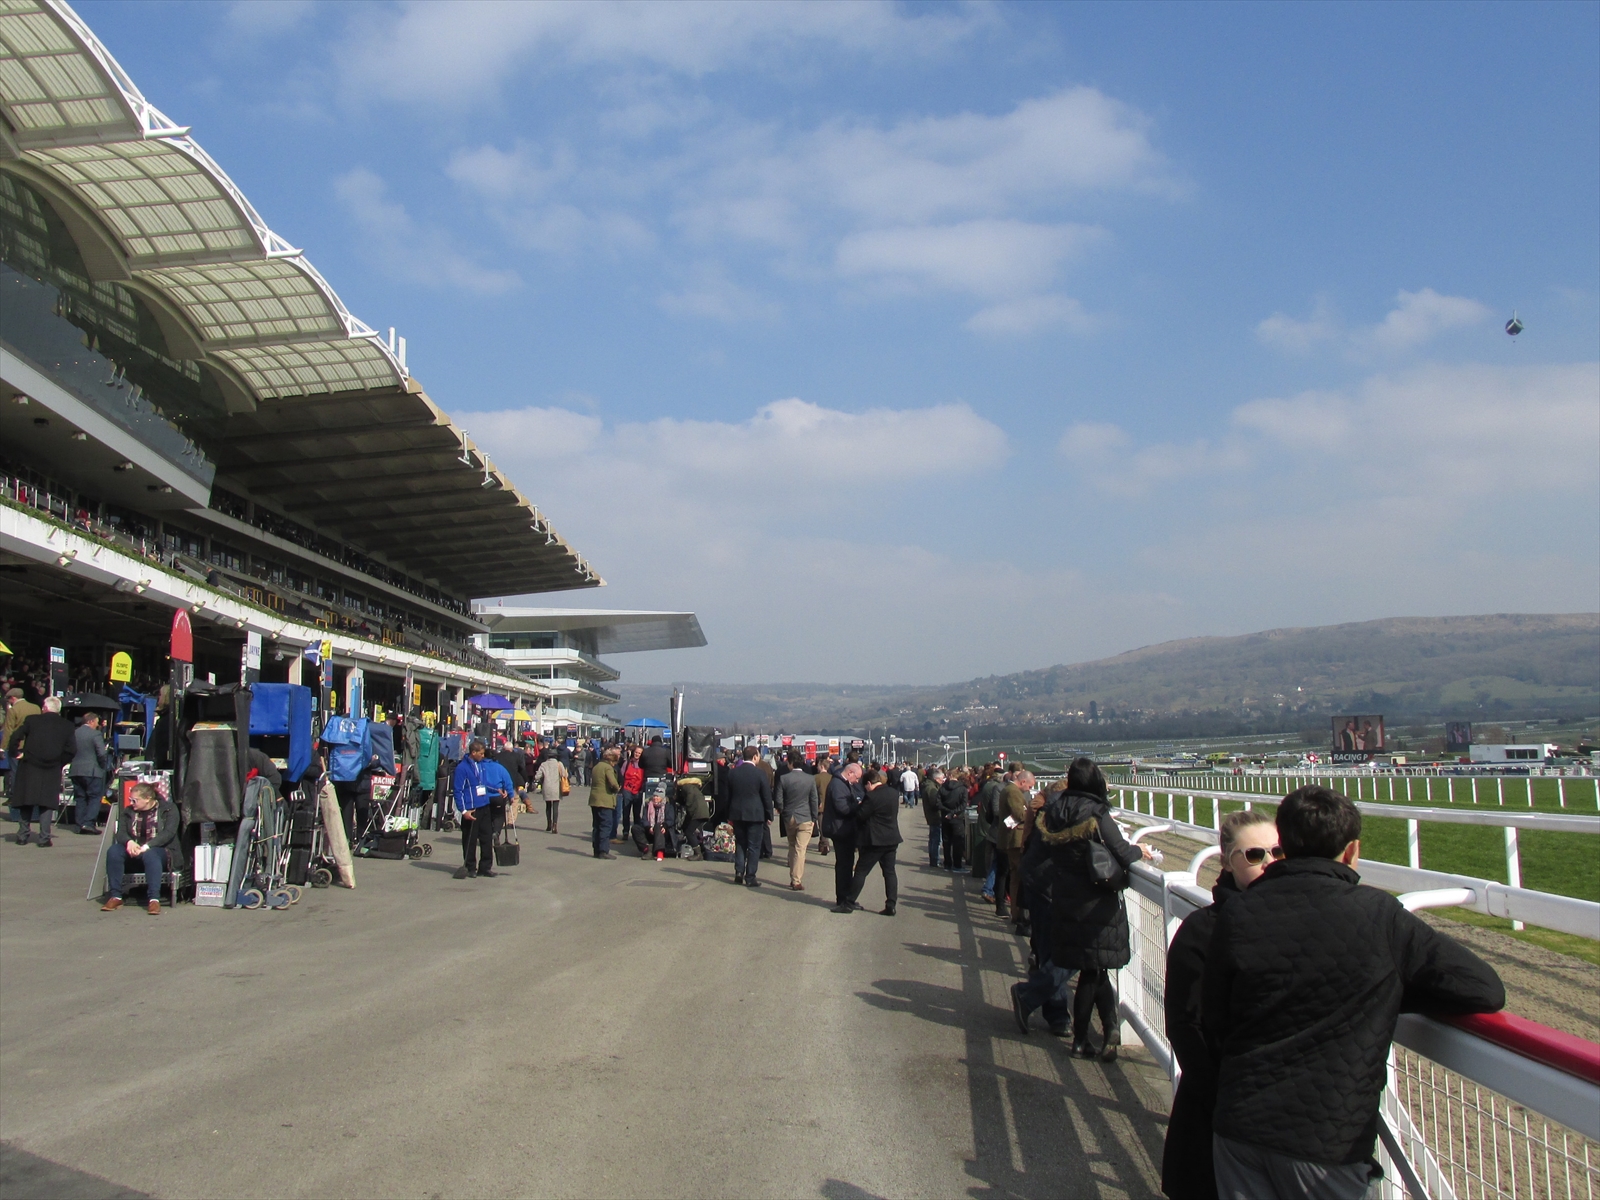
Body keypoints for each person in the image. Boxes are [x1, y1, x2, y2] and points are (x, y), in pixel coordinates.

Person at [1203, 786, 1504, 1200]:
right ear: (1351, 851)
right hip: (1327, 1140)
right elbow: (1485, 988)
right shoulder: (1379, 914)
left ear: (1284, 845)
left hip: (1241, 1127)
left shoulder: (1238, 911)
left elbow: (1213, 1018)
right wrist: (1387, 990)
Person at [1160, 809, 1280, 1200]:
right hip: (1217, 1108)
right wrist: (1226, 1099)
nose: (1269, 862)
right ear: (1227, 862)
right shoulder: (1202, 930)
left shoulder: (1300, 922)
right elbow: (1184, 1025)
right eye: (1255, 855)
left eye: (1278, 852)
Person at [1034, 758, 1150, 1060]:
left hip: (1064, 896)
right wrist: (1141, 850)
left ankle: (1109, 1030)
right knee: (1092, 970)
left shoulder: (1055, 810)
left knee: (1094, 968)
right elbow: (1122, 852)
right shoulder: (1094, 811)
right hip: (1095, 899)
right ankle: (1082, 1039)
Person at [7, 695, 77, 847]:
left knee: (26, 801)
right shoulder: (67, 725)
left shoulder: (32, 720)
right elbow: (72, 750)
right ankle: (44, 837)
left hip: (30, 765)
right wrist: (60, 762)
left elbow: (15, 736)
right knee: (47, 803)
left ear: (45, 708)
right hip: (52, 767)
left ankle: (22, 835)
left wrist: (15, 753)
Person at [100, 781, 178, 913]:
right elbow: (121, 833)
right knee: (114, 851)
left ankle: (154, 899)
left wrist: (147, 846)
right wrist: (129, 842)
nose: (131, 803)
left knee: (151, 854)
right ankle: (116, 896)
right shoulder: (128, 811)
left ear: (147, 799)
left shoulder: (168, 809)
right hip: (135, 849)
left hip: (160, 850)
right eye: (130, 799)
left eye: (134, 800)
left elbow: (168, 833)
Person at [836, 768, 902, 914]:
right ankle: (891, 905)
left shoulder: (871, 797)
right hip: (892, 838)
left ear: (869, 783)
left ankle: (848, 903)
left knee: (861, 871)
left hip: (875, 840)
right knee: (889, 872)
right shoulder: (893, 793)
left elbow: (861, 816)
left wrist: (860, 806)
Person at [450, 740, 507, 879]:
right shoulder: (462, 768)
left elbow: (483, 784)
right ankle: (470, 867)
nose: (483, 756)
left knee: (486, 837)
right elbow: (458, 791)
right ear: (473, 752)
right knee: (470, 839)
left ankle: (485, 867)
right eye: (480, 753)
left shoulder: (481, 765)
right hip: (472, 808)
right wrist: (463, 811)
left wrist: (497, 790)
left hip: (484, 805)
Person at [725, 744, 773, 887]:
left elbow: (728, 796)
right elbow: (766, 796)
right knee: (754, 846)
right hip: (755, 814)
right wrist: (769, 814)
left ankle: (739, 872)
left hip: (737, 813)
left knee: (740, 843)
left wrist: (728, 814)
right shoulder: (760, 774)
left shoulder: (733, 773)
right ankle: (750, 876)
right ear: (755, 757)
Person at [822, 761, 865, 908]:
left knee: (847, 864)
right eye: (857, 777)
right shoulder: (837, 785)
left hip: (844, 828)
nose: (857, 781)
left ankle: (846, 896)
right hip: (840, 829)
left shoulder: (843, 784)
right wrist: (857, 806)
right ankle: (843, 898)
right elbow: (842, 808)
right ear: (850, 773)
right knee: (843, 866)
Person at [996, 770, 1034, 928]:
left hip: (1011, 838)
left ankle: (1016, 912)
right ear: (1023, 782)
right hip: (1016, 839)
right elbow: (1020, 814)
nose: (1030, 790)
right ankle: (1018, 914)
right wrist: (1031, 813)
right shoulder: (1013, 792)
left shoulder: (1008, 790)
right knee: (1018, 876)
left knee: (1014, 876)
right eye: (1030, 786)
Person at [776, 749, 818, 890]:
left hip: (789, 816)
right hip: (805, 816)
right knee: (801, 849)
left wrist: (783, 810)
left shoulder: (784, 779)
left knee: (792, 845)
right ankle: (796, 880)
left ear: (790, 763)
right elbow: (814, 799)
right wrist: (814, 817)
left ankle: (793, 875)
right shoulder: (810, 779)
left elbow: (779, 799)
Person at [70, 711, 109, 833]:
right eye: (96, 723)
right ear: (91, 721)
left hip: (76, 770)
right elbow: (101, 753)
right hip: (92, 770)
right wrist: (103, 765)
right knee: (95, 797)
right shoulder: (95, 734)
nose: (97, 725)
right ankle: (88, 823)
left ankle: (79, 824)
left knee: (80, 798)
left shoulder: (74, 733)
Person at [589, 746, 621, 859]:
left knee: (596, 826)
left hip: (594, 799)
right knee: (605, 826)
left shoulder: (597, 766)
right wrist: (617, 788)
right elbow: (613, 782)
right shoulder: (607, 768)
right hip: (605, 800)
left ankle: (596, 850)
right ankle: (603, 850)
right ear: (611, 760)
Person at [937, 769, 969, 872]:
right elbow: (963, 804)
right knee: (958, 842)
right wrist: (953, 813)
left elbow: (938, 803)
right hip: (957, 817)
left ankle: (947, 864)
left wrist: (947, 812)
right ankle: (957, 865)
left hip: (945, 817)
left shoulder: (942, 788)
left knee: (946, 841)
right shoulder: (962, 788)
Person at [533, 749, 567, 833]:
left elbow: (537, 776)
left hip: (547, 787)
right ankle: (555, 825)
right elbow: (564, 775)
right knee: (555, 807)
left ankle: (549, 824)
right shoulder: (559, 764)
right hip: (556, 788)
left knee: (548, 806)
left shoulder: (543, 764)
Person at [920, 768, 946, 868]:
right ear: (936, 779)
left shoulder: (929, 786)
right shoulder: (932, 788)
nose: (943, 781)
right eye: (941, 779)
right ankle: (935, 860)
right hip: (935, 816)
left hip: (932, 816)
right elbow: (935, 803)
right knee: (936, 840)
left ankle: (934, 859)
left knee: (933, 839)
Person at [618, 746, 644, 841]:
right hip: (627, 789)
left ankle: (637, 833)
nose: (637, 754)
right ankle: (625, 831)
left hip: (638, 791)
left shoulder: (644, 765)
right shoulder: (627, 763)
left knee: (637, 813)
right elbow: (621, 774)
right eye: (636, 752)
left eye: (639, 753)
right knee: (626, 811)